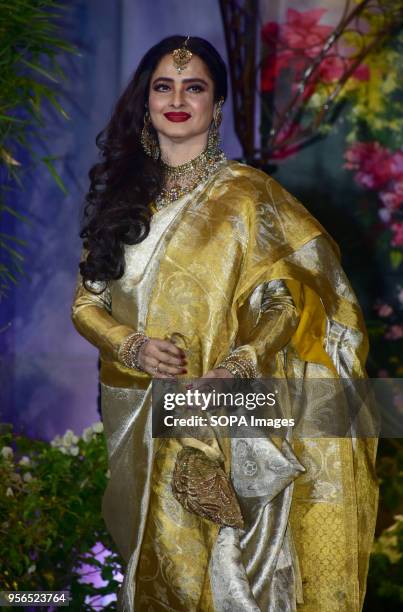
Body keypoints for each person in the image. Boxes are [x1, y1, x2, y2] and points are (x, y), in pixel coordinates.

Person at [71, 35, 378, 612]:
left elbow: (289, 301)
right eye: (163, 86)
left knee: (229, 570)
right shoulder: (122, 196)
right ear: (146, 101)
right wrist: (129, 344)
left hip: (228, 410)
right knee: (157, 564)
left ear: (217, 105)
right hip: (138, 408)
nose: (178, 98)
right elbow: (86, 302)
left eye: (195, 87)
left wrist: (244, 362)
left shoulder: (248, 196)